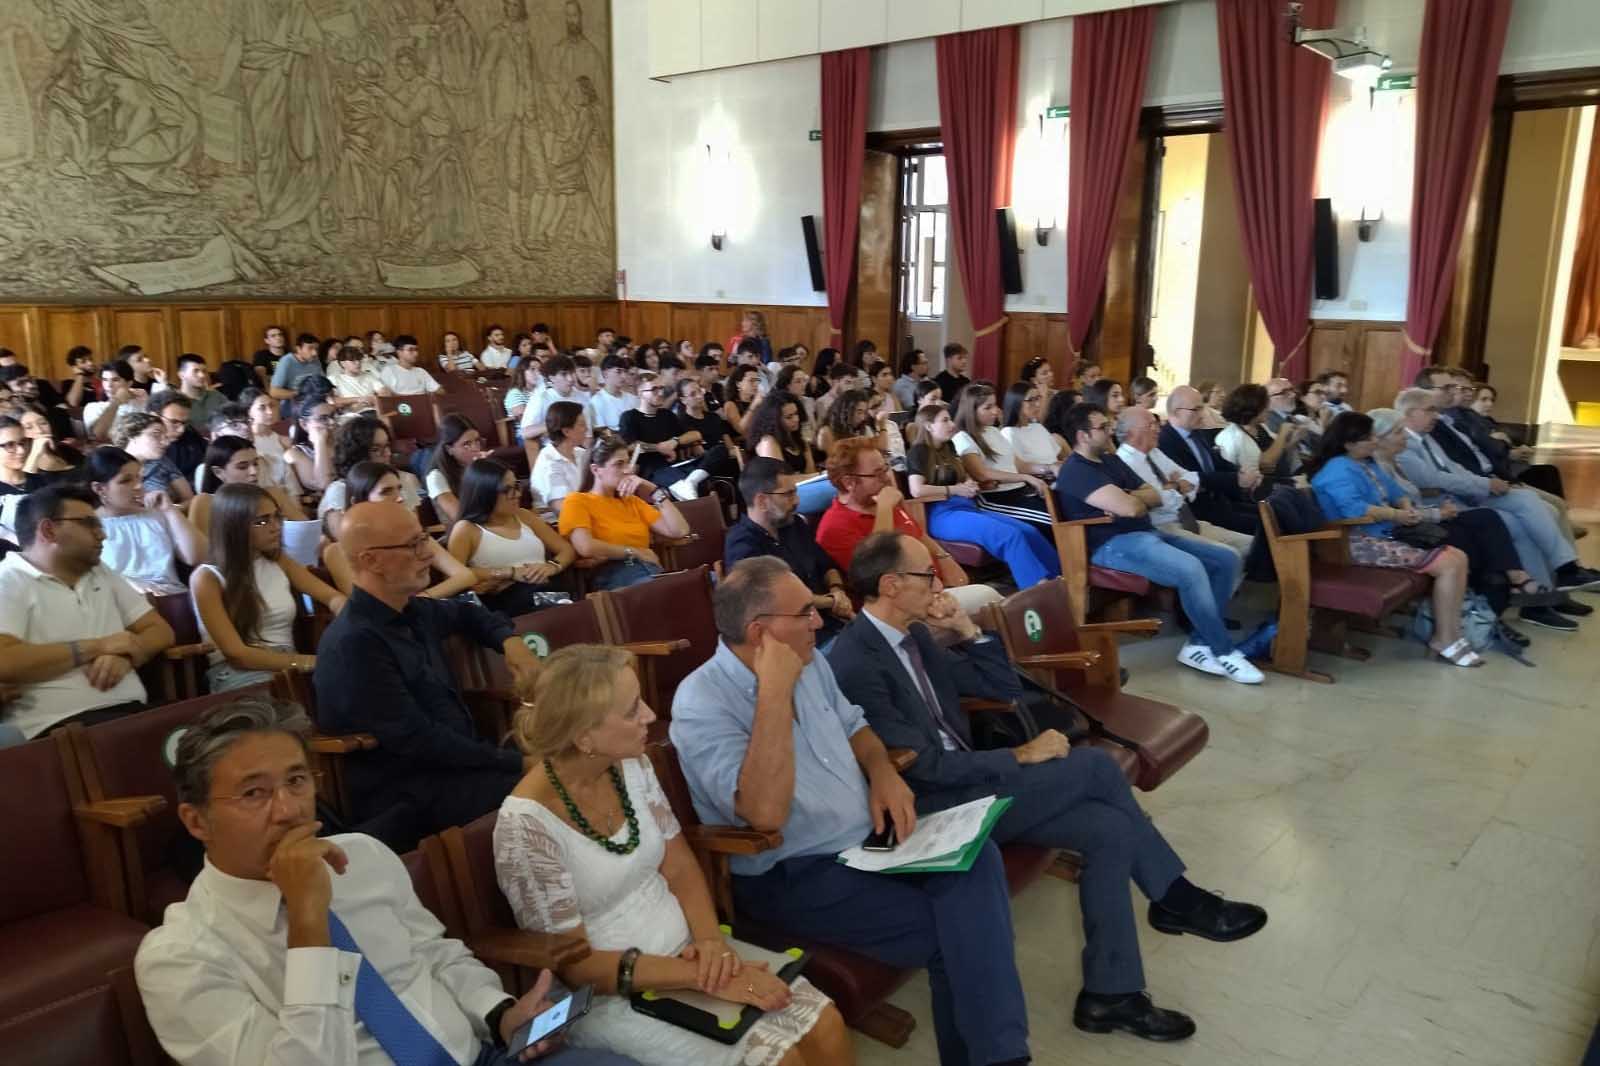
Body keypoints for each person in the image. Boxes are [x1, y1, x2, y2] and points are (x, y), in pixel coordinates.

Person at [830, 532, 1269, 1041]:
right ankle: (1176, 896)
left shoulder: (916, 634)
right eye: (927, 573)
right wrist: (1017, 755)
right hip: (933, 806)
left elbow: (1003, 689)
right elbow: (918, 769)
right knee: (1097, 770)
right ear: (891, 584)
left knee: (1108, 830)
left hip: (971, 779)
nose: (940, 581)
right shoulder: (858, 661)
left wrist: (967, 628)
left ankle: (1112, 994)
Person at [135, 696, 640, 1066]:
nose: (288, 811)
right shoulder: (181, 957)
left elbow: (435, 953)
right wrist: (308, 923)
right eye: (253, 794)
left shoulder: (363, 858)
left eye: (295, 781)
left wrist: (502, 1014)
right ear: (196, 822)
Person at [670, 556, 1032, 1066]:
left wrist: (882, 772)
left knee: (980, 860)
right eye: (805, 614)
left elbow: (855, 725)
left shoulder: (811, 660)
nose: (820, 622)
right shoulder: (702, 700)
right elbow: (764, 814)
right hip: (794, 871)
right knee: (956, 933)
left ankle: (995, 1057)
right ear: (760, 632)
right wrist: (774, 689)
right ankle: (999, 1057)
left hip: (869, 840)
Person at [493, 644, 849, 1066]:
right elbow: (579, 968)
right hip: (611, 996)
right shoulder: (527, 827)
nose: (648, 715)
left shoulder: (632, 765)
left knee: (827, 1025)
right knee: (782, 1060)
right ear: (584, 737)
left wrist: (711, 945)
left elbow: (679, 868)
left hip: (693, 952)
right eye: (631, 711)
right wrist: (703, 978)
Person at [316, 500, 544, 848]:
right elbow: (417, 740)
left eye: (424, 539)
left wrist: (510, 642)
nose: (427, 554)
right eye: (413, 545)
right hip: (409, 791)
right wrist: (517, 762)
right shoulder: (354, 642)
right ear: (370, 560)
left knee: (580, 758)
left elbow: (470, 615)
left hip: (458, 768)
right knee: (554, 784)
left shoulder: (413, 609)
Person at [1056, 402, 1262, 683]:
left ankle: (1199, 644)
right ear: (1083, 435)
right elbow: (1131, 507)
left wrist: (1133, 497)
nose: (1111, 430)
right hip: (1113, 544)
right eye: (1103, 427)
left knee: (1227, 559)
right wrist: (1133, 498)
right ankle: (1224, 650)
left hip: (1146, 532)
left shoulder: (1110, 460)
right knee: (1191, 569)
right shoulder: (1076, 471)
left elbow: (1149, 495)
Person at [1390, 388, 1598, 618]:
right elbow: (1434, 480)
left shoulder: (1427, 439)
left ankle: (1561, 576)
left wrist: (1485, 482)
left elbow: (1455, 468)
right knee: (1515, 522)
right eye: (1430, 410)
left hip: (1466, 491)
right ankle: (1539, 598)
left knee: (1534, 503)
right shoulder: (1403, 444)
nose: (1436, 416)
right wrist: (1484, 485)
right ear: (1409, 413)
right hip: (1445, 503)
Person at [1308, 411, 1487, 665]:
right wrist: (1397, 515)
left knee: (1459, 557)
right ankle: (1445, 638)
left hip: (1380, 534)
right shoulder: (1337, 468)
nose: (1374, 440)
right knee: (1448, 563)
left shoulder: (1366, 463)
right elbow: (1354, 510)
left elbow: (1396, 492)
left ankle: (1451, 634)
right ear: (1348, 443)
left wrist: (1404, 507)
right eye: (1368, 437)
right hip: (1351, 542)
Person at [0, 484, 175, 739]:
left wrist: (127, 656)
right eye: (89, 524)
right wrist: (99, 646)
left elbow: (160, 631)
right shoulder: (8, 580)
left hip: (132, 713)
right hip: (58, 728)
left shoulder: (100, 572)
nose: (102, 534)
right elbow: (5, 660)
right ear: (48, 530)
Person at [1367, 407, 1542, 636]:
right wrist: (1438, 513)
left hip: (1422, 520)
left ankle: (1510, 582)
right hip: (1406, 531)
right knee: (1473, 546)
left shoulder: (1393, 462)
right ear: (1379, 438)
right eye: (1399, 432)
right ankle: (1490, 614)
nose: (1406, 436)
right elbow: (1395, 510)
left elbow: (1413, 498)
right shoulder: (1375, 468)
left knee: (1486, 518)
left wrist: (1437, 510)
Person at [814, 436, 1002, 615]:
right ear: (848, 483)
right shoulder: (834, 527)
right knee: (990, 599)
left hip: (936, 589)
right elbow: (877, 572)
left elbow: (919, 535)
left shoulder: (879, 498)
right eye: (877, 474)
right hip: (902, 609)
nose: (887, 478)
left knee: (992, 605)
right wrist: (885, 508)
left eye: (885, 468)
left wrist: (946, 559)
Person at [193, 484, 345, 692]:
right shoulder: (206, 577)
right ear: (234, 526)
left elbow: (332, 597)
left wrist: (343, 609)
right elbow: (238, 655)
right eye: (262, 521)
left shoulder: (278, 560)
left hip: (290, 664)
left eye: (277, 517)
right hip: (240, 673)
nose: (276, 527)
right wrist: (314, 662)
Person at [907, 402, 1059, 589]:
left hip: (967, 506)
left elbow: (960, 480)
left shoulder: (949, 448)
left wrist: (975, 485)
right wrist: (956, 489)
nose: (952, 424)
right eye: (945, 420)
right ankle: (1039, 591)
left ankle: (1059, 581)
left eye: (950, 419)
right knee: (1009, 535)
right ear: (929, 426)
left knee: (1028, 531)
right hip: (942, 513)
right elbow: (917, 490)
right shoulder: (919, 451)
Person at [725, 458, 854, 643]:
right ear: (762, 501)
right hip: (794, 639)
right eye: (788, 494)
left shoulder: (795, 525)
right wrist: (831, 601)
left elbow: (825, 563)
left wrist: (837, 589)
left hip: (831, 623)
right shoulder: (742, 545)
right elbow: (774, 599)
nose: (797, 501)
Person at [1114, 407, 1255, 575]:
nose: (1158, 429)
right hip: (1164, 527)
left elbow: (1190, 477)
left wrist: (1173, 487)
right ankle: (1217, 599)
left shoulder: (1155, 452)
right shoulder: (1124, 462)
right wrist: (1177, 486)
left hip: (1187, 519)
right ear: (1132, 433)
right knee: (1229, 556)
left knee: (1253, 544)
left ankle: (1225, 596)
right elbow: (1159, 500)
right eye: (1151, 425)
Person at [449, 459, 577, 615]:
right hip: (504, 600)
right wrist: (510, 572)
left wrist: (551, 566)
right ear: (485, 493)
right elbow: (453, 576)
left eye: (517, 486)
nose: (517, 494)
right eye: (506, 489)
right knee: (561, 610)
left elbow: (566, 550)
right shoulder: (467, 529)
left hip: (544, 589)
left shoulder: (524, 516)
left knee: (570, 609)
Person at [558, 440, 690, 590]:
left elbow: (679, 530)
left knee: (705, 582)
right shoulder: (577, 500)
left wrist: (654, 490)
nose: (628, 470)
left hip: (649, 571)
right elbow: (586, 546)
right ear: (596, 470)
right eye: (619, 464)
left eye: (628, 463)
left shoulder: (631, 501)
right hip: (615, 576)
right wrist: (635, 552)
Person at [88, 446, 207, 594]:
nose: (138, 486)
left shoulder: (156, 513)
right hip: (123, 604)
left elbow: (197, 556)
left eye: (139, 477)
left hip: (172, 599)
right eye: (126, 481)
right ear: (99, 489)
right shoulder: (91, 526)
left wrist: (169, 510)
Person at [619, 372, 733, 502]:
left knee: (720, 450)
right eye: (654, 389)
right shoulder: (630, 416)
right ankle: (689, 489)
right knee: (665, 472)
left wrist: (674, 441)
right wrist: (659, 448)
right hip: (652, 469)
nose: (661, 393)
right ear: (640, 393)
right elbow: (630, 445)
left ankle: (690, 482)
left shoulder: (667, 415)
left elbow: (695, 434)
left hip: (677, 464)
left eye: (661, 388)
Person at [1158, 386, 1259, 533]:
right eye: (1196, 409)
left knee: (1273, 513)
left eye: (1202, 408)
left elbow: (1218, 463)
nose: (1202, 414)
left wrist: (1244, 473)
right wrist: (1236, 479)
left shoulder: (1198, 434)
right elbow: (1192, 477)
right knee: (1263, 525)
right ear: (1176, 412)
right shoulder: (1165, 441)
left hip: (1221, 502)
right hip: (1198, 512)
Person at [951, 384, 1054, 528]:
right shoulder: (962, 437)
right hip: (997, 497)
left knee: (1063, 510)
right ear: (971, 411)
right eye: (988, 407)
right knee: (1052, 520)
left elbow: (1019, 465)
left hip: (1019, 491)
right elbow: (982, 474)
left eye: (995, 405)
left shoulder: (993, 431)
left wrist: (1049, 468)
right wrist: (1026, 478)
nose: (995, 411)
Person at [319, 418, 424, 540]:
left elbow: (415, 530)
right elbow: (345, 542)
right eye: (376, 449)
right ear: (356, 454)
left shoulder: (399, 481)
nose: (387, 453)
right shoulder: (340, 490)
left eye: (387, 446)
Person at [744, 393, 833, 514]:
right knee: (836, 489)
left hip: (800, 489)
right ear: (775, 420)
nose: (796, 419)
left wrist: (820, 475)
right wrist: (821, 474)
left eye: (796, 414)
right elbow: (780, 481)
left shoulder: (798, 440)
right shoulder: (768, 442)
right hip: (780, 496)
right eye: (789, 417)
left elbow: (810, 472)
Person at [1215, 384, 1305, 487]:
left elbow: (1276, 453)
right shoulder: (1233, 437)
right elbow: (1268, 463)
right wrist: (1283, 433)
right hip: (1259, 490)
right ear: (1253, 408)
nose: (1269, 409)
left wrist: (1294, 440)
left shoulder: (1260, 427)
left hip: (1280, 481)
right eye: (1265, 407)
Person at [114, 410, 196, 505]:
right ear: (133, 436)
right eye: (156, 434)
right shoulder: (111, 465)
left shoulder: (162, 462)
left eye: (165, 437)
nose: (166, 443)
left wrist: (170, 510)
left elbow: (190, 499)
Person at [425, 414, 489, 524]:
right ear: (449, 449)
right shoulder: (436, 477)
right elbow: (460, 517)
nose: (475, 448)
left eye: (477, 441)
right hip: (463, 534)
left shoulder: (475, 466)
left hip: (490, 526)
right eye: (466, 444)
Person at [519, 355, 586, 453]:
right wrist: (555, 424)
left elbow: (588, 434)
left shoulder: (581, 397)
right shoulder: (541, 398)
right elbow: (525, 432)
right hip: (556, 449)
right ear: (552, 378)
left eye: (572, 373)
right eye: (564, 374)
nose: (570, 379)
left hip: (581, 447)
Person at [532, 401, 590, 516]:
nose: (587, 429)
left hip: (585, 511)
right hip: (559, 523)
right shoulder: (549, 462)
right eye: (582, 424)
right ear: (566, 431)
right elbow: (563, 508)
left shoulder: (580, 453)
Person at [999, 381, 1065, 475]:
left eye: (1038, 398)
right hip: (1035, 482)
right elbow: (1019, 468)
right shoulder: (1009, 433)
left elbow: (1052, 459)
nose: (1037, 404)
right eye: (1031, 400)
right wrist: (1049, 468)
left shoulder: (1038, 427)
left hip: (1053, 476)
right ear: (1016, 402)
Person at [84, 360, 150, 441]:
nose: (109, 385)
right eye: (105, 380)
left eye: (115, 380)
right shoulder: (93, 408)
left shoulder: (141, 399)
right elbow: (97, 437)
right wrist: (116, 402)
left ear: (129, 383)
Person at [16, 403, 82, 482]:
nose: (39, 431)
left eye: (43, 423)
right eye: (29, 427)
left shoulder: (65, 449)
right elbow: (28, 488)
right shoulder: (24, 465)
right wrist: (35, 453)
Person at [325, 344, 391, 415]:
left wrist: (372, 401)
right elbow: (331, 400)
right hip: (353, 415)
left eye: (359, 360)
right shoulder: (334, 378)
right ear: (343, 363)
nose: (358, 363)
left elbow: (385, 392)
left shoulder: (369, 375)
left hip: (374, 410)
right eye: (353, 361)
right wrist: (359, 399)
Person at [269, 334, 326, 415]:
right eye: (310, 348)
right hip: (294, 403)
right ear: (298, 349)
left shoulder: (315, 360)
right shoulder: (286, 361)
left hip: (315, 402)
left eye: (316, 349)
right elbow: (274, 392)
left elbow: (323, 381)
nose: (315, 353)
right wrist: (299, 393)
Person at [588, 354, 639, 436]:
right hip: (611, 446)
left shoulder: (633, 399)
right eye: (618, 371)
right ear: (605, 374)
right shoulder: (596, 401)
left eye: (625, 372)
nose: (623, 376)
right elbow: (602, 433)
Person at [174, 353, 228, 430]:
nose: (202, 375)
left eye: (204, 371)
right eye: (196, 371)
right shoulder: (175, 402)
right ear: (181, 375)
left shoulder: (217, 396)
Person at [380, 335, 445, 398]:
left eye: (416, 349)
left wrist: (432, 393)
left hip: (423, 405)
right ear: (399, 352)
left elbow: (441, 391)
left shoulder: (421, 371)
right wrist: (417, 397)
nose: (416, 353)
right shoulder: (390, 371)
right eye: (410, 350)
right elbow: (385, 396)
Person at [720, 364, 762, 443]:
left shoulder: (759, 401)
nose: (756, 384)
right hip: (743, 446)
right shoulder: (730, 404)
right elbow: (741, 429)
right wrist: (753, 405)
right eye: (751, 380)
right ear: (738, 384)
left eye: (757, 380)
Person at [504, 359, 545, 428]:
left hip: (543, 428)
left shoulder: (541, 391)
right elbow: (525, 420)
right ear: (522, 372)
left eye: (540, 370)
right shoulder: (514, 394)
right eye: (532, 369)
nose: (538, 373)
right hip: (525, 432)